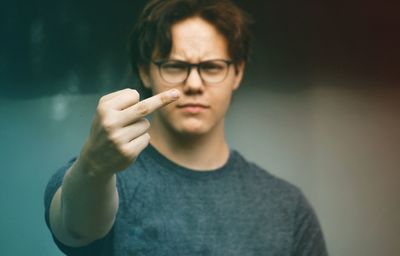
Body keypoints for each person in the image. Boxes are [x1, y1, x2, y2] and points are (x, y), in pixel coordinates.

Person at [44, 0, 328, 255]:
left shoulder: (287, 208)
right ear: (145, 71)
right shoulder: (103, 180)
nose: (193, 84)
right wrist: (94, 167)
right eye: (175, 66)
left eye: (212, 67)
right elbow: (75, 227)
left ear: (237, 72)